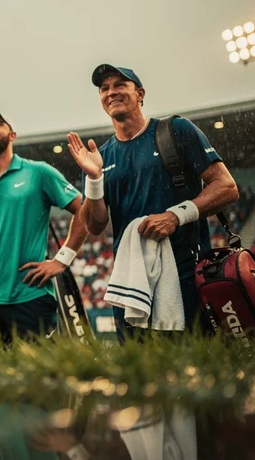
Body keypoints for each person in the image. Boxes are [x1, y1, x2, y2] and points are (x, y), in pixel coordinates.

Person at [67, 64, 239, 341]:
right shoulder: (100, 156)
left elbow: (227, 187)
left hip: (187, 278)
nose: (111, 92)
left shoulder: (175, 131)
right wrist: (94, 179)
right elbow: (95, 225)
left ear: (140, 93)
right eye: (104, 88)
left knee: (194, 368)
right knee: (139, 377)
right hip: (131, 284)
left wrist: (175, 216)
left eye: (120, 85)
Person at [0, 104, 88, 345]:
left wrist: (62, 260)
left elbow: (84, 210)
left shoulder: (38, 172)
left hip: (31, 296)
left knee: (39, 378)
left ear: (12, 135)